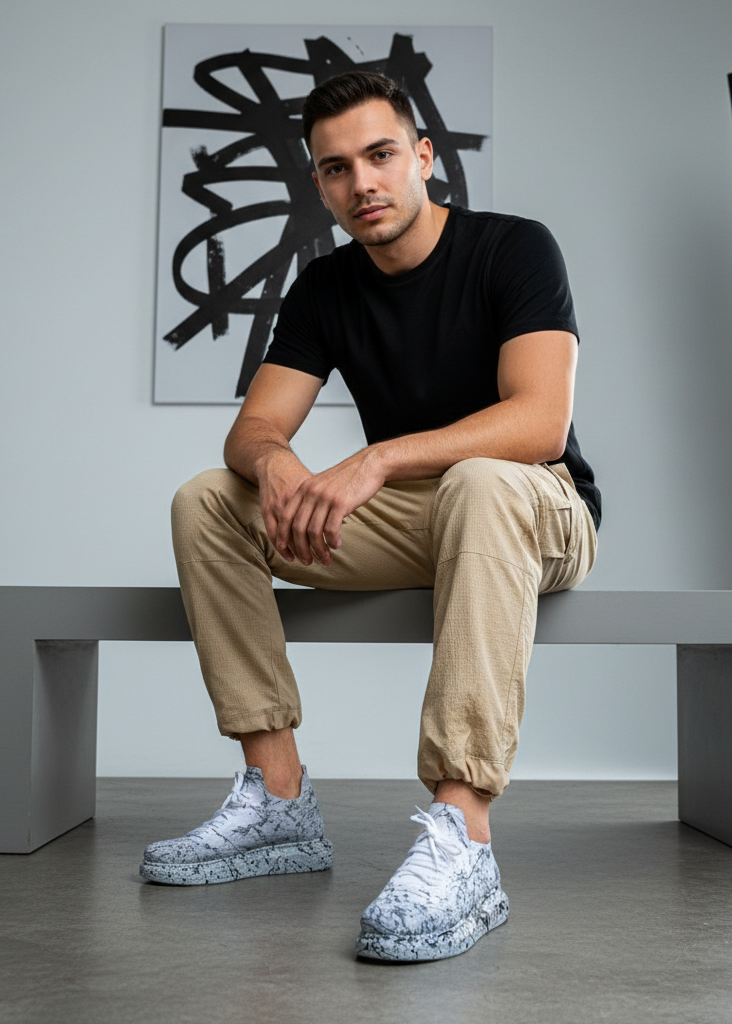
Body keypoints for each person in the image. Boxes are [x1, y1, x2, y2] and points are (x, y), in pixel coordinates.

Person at [140, 70, 600, 962]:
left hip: (536, 503)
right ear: (320, 184)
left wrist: (376, 458)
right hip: (423, 519)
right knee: (208, 499)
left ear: (423, 157)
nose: (363, 183)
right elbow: (253, 431)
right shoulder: (325, 288)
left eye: (381, 155)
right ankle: (277, 797)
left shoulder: (514, 248)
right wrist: (276, 464)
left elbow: (540, 421)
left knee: (479, 482)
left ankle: (464, 834)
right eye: (337, 168)